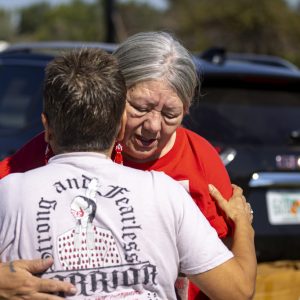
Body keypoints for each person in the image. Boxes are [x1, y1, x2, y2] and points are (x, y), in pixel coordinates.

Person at [0, 48, 256, 300]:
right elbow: (238, 290)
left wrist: (242, 226)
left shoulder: (196, 162)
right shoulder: (165, 191)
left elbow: (230, 285)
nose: (153, 126)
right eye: (141, 108)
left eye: (170, 114)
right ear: (119, 116)